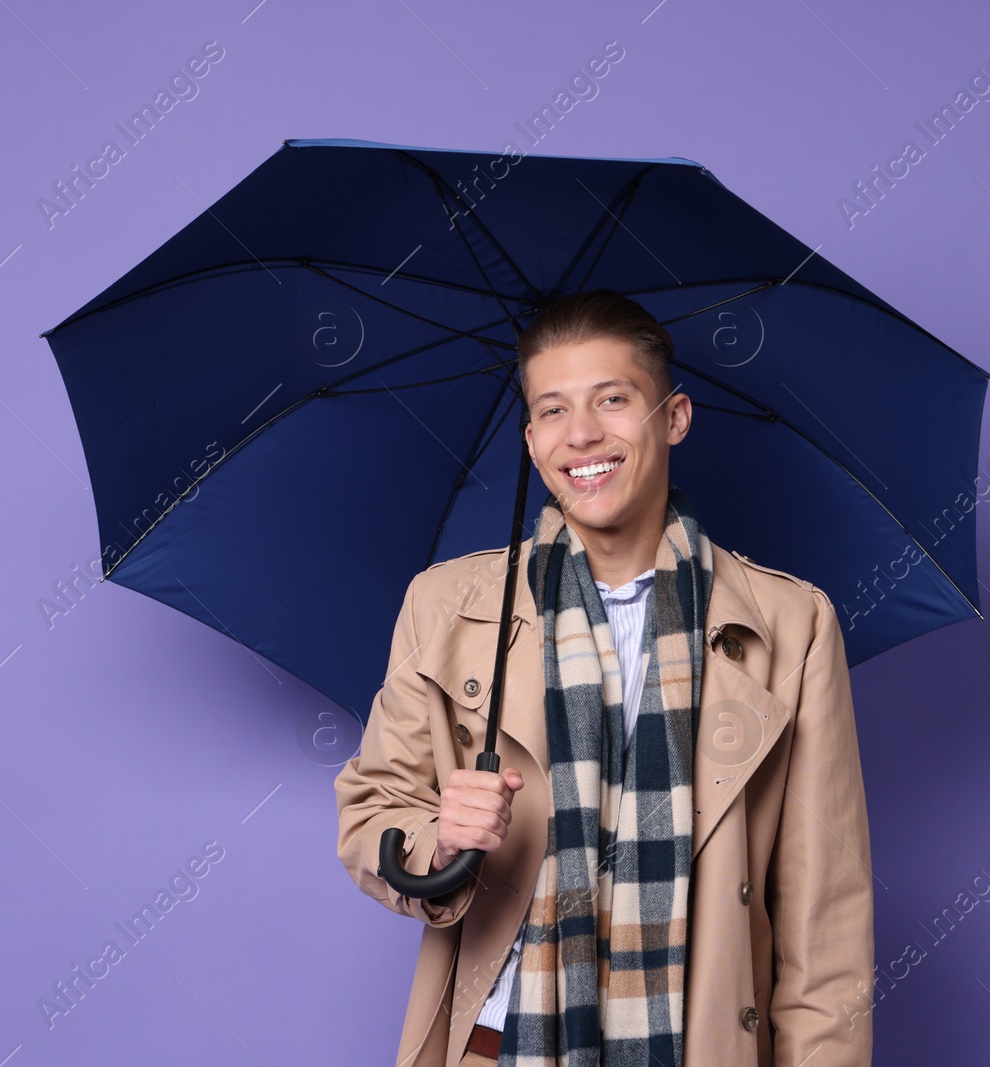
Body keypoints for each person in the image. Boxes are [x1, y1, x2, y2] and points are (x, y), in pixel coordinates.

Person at [335, 289, 873, 1067]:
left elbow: (826, 923)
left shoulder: (793, 624)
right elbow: (369, 815)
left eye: (612, 399)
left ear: (675, 417)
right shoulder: (447, 607)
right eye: (552, 410)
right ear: (529, 439)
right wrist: (437, 836)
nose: (582, 433)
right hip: (499, 1046)